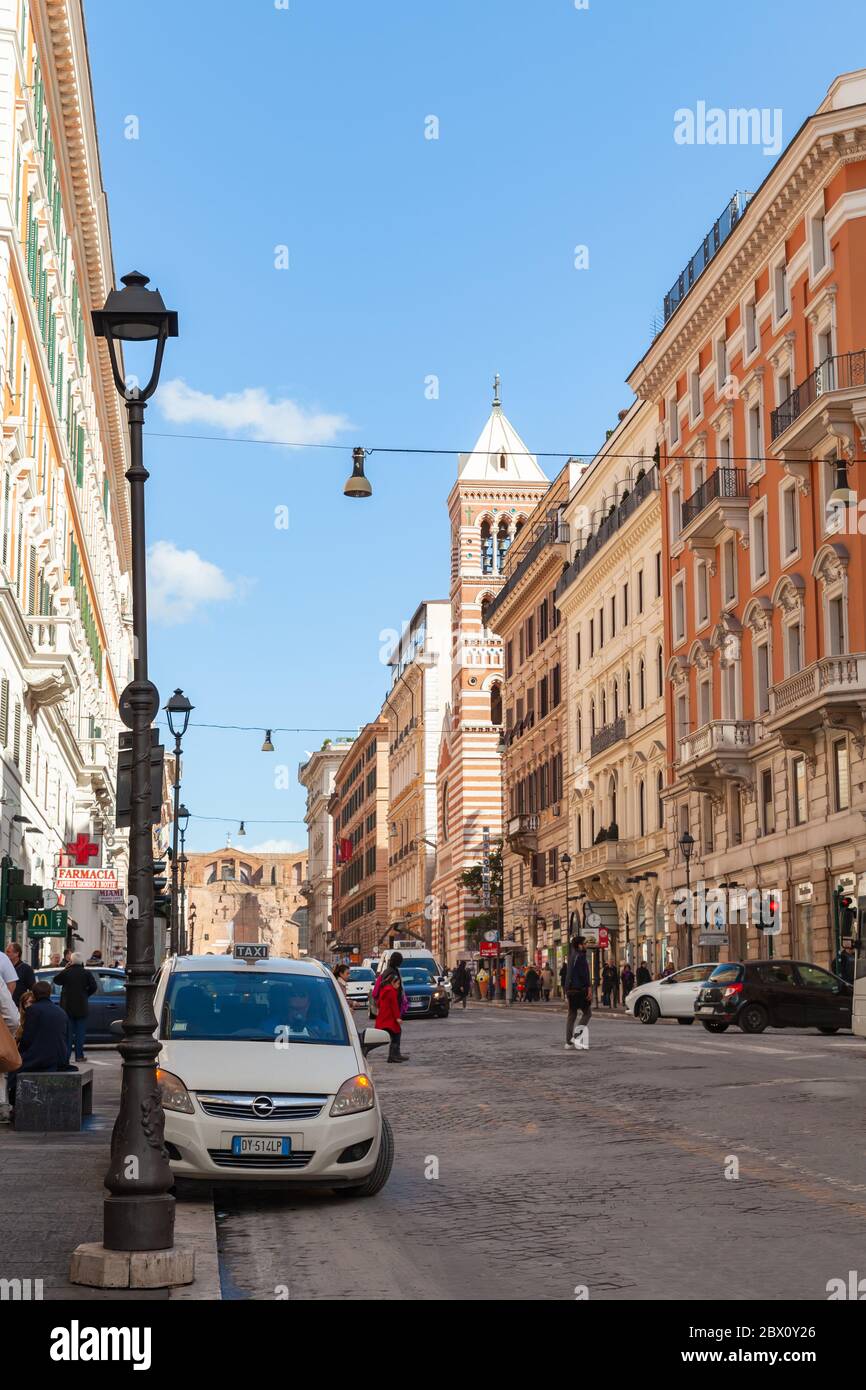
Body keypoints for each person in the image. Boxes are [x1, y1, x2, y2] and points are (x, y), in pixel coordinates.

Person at [8, 981, 76, 1107]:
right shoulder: (60, 1011)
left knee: (13, 1070)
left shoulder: (33, 1010)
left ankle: (13, 1104)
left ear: (34, 995)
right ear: (49, 993)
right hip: (59, 1058)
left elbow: (28, 1038)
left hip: (40, 1058)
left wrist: (20, 1054)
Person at [53, 953, 97, 1062]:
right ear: (81, 961)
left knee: (68, 1034)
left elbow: (56, 980)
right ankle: (79, 1055)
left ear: (71, 961)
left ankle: (66, 1056)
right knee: (80, 1033)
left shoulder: (67, 972)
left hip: (67, 1007)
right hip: (81, 1006)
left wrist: (65, 968)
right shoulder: (86, 973)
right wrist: (86, 994)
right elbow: (94, 987)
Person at [375, 952, 408, 1063]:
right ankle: (393, 1055)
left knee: (395, 1032)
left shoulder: (389, 971)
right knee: (396, 1032)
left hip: (386, 1012)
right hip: (389, 1012)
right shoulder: (391, 974)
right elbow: (393, 1004)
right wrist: (398, 1016)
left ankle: (395, 1054)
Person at [564, 937, 592, 1048]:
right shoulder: (581, 957)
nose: (587, 945)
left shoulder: (571, 956)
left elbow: (568, 974)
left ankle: (568, 1042)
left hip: (570, 990)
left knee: (572, 1015)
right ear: (579, 945)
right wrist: (589, 988)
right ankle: (576, 1037)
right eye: (585, 943)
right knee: (587, 1013)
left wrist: (566, 990)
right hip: (580, 990)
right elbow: (584, 975)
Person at [5, 941, 36, 1007]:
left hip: (18, 1005)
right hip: (4, 1004)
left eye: (8, 952)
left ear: (17, 953)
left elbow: (32, 988)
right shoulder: (4, 967)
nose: (6, 954)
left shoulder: (26, 968)